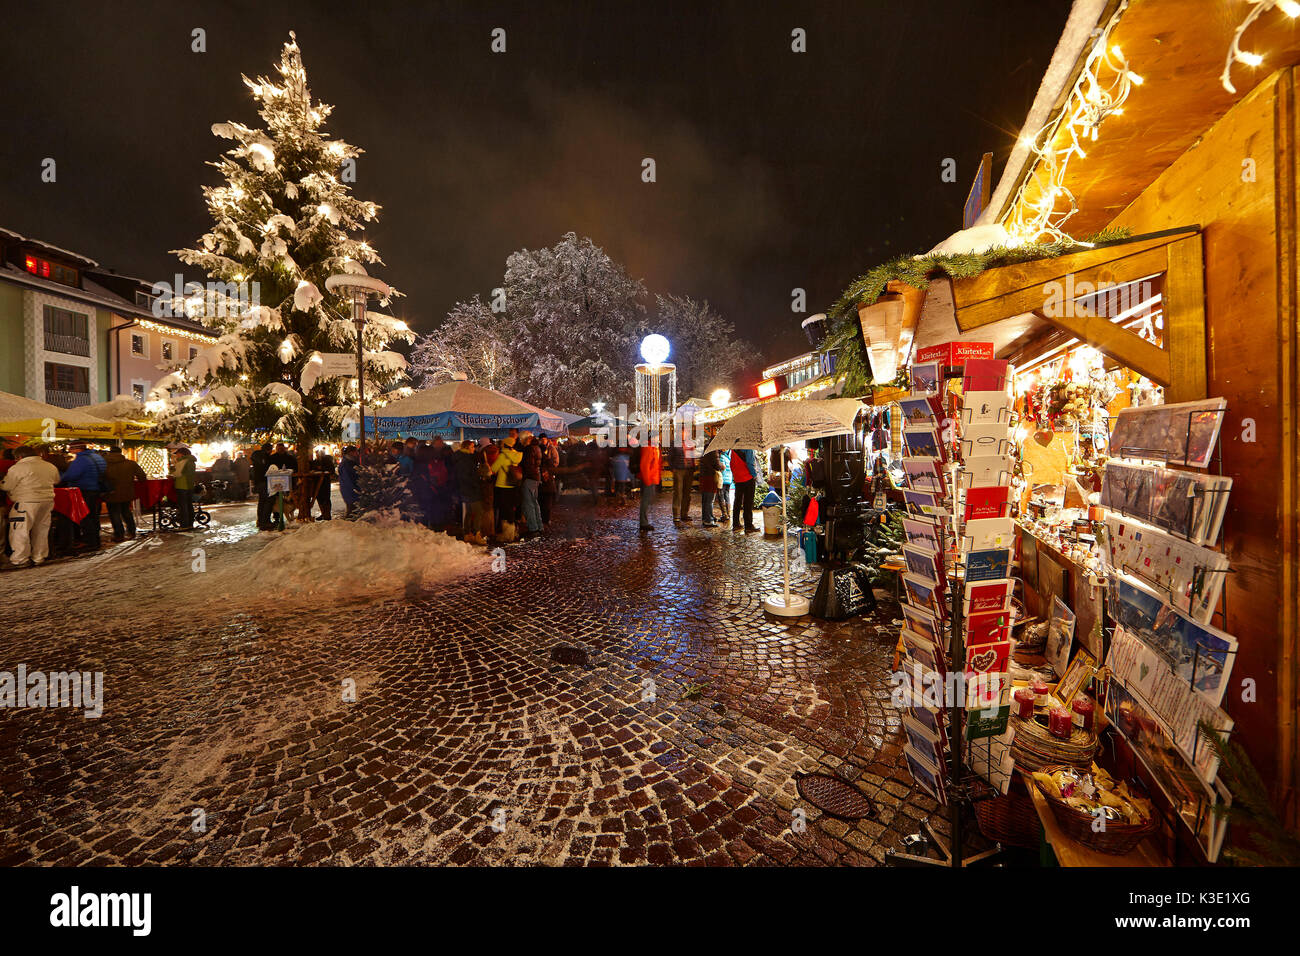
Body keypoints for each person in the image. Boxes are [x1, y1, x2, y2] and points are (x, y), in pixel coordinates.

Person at [2, 446, 59, 567]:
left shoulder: (19, 467)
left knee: (20, 530)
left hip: (26, 502)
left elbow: (6, 486)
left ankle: (20, 559)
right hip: (47, 501)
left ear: (20, 457)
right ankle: (39, 557)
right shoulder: (49, 466)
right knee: (41, 530)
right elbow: (56, 480)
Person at [60, 441, 108, 550]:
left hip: (84, 490)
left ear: (77, 449)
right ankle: (96, 540)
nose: (69, 451)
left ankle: (89, 542)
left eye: (71, 449)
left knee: (84, 516)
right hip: (96, 489)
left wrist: (60, 476)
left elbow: (72, 475)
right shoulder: (97, 456)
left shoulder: (81, 460)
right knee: (93, 516)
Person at [103, 444, 146, 541]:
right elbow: (142, 477)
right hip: (127, 492)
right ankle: (131, 531)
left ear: (110, 453)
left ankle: (119, 534)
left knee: (114, 513)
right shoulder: (131, 463)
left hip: (111, 493)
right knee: (126, 511)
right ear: (120, 453)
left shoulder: (104, 464)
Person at [491, 433, 523, 530]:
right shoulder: (517, 455)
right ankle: (511, 529)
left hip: (502, 485)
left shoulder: (502, 456)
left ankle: (504, 530)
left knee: (503, 509)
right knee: (510, 508)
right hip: (513, 484)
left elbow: (493, 469)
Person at [519, 431, 543, 537]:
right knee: (534, 503)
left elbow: (527, 465)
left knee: (529, 504)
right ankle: (539, 526)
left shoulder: (528, 449)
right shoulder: (537, 447)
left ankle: (533, 528)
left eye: (521, 440)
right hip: (535, 477)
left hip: (529, 478)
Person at [730, 447, 759, 533]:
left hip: (738, 478)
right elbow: (750, 463)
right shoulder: (748, 447)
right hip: (747, 477)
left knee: (737, 501)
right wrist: (754, 475)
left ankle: (736, 524)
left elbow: (732, 464)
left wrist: (735, 475)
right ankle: (748, 525)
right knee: (748, 502)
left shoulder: (734, 448)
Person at [668, 427, 693, 523]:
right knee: (678, 492)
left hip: (689, 470)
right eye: (683, 432)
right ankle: (676, 515)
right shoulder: (674, 443)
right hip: (678, 470)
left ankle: (684, 513)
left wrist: (693, 467)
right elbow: (670, 457)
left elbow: (692, 456)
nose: (685, 434)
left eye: (686, 432)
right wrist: (673, 468)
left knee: (687, 493)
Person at [638, 434, 661, 532]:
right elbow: (644, 465)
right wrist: (647, 479)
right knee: (646, 500)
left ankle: (644, 521)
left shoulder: (654, 448)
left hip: (652, 478)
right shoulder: (648, 448)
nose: (659, 439)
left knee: (647, 500)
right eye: (657, 437)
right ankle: (643, 522)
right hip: (649, 479)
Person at [171, 446, 197, 529]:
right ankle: (190, 523)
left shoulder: (183, 461)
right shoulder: (191, 461)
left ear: (182, 454)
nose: (177, 456)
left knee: (183, 506)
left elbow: (178, 473)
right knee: (189, 505)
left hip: (182, 485)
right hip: (190, 485)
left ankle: (184, 525)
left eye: (177, 454)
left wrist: (172, 474)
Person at [538, 435, 559, 528]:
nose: (543, 441)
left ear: (547, 440)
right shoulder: (539, 450)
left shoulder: (552, 449)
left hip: (548, 478)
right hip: (543, 480)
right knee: (544, 500)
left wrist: (549, 471)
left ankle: (546, 518)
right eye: (541, 439)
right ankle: (544, 518)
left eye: (544, 439)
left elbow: (556, 461)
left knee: (546, 500)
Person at [251, 442, 273, 530]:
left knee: (262, 501)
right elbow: (267, 469)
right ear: (269, 450)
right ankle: (265, 522)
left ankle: (260, 521)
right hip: (265, 481)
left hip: (258, 482)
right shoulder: (265, 457)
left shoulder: (256, 456)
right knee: (268, 501)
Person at [311, 447, 336, 520]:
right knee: (319, 498)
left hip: (325, 482)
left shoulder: (327, 460)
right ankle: (323, 513)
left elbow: (331, 470)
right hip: (316, 482)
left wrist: (321, 468)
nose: (317, 455)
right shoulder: (315, 461)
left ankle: (327, 515)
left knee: (326, 498)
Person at [698, 449, 720, 528]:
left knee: (705, 499)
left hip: (704, 476)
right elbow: (717, 465)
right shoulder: (714, 451)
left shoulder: (705, 449)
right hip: (710, 477)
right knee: (710, 500)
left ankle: (705, 518)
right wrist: (722, 466)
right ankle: (709, 520)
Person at [338, 446, 359, 517]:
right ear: (351, 453)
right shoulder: (346, 464)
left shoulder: (351, 462)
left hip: (351, 490)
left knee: (352, 509)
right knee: (352, 510)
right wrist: (356, 489)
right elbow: (348, 479)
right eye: (356, 452)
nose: (357, 453)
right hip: (350, 491)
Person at [717, 443, 733, 525]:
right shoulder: (728, 457)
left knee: (721, 496)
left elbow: (721, 468)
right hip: (729, 479)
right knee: (727, 495)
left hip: (723, 479)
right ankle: (728, 513)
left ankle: (724, 514)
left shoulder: (722, 457)